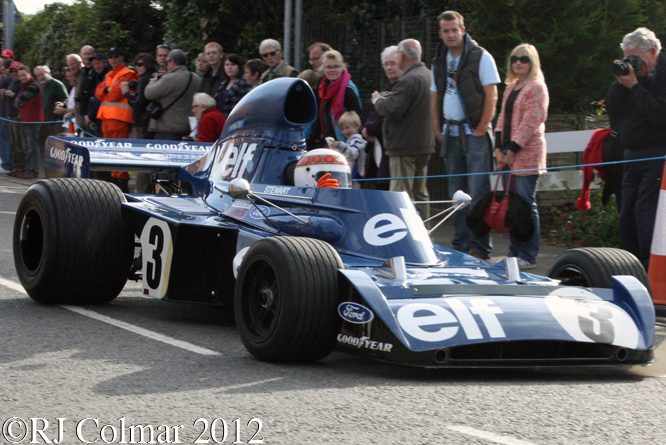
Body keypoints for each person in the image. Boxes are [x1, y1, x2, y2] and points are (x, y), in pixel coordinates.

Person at [430, 10, 501, 259]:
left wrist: (482, 128)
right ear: (441, 34)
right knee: (456, 193)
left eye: (454, 29)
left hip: (474, 133)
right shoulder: (439, 59)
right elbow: (435, 95)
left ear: (463, 30)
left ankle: (479, 247)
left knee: (478, 193)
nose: (450, 34)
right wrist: (437, 128)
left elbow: (491, 94)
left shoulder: (481, 56)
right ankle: (460, 244)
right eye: (446, 30)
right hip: (450, 133)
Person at [606, 27, 666, 270]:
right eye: (627, 58)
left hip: (658, 153)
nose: (632, 64)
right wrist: (622, 82)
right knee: (627, 212)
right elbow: (613, 109)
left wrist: (635, 86)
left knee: (646, 213)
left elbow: (660, 114)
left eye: (636, 58)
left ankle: (650, 269)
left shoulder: (662, 74)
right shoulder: (631, 79)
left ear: (653, 52)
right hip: (630, 153)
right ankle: (630, 266)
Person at [494, 44, 549, 270]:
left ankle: (528, 254)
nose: (518, 62)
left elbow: (531, 122)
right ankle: (514, 253)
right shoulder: (511, 86)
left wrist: (512, 151)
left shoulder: (537, 88)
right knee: (512, 206)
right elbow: (501, 118)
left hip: (526, 154)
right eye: (514, 59)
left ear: (532, 61)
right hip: (507, 154)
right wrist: (498, 149)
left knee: (525, 205)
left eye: (524, 59)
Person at [372, 39, 435, 220]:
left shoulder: (408, 79)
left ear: (401, 55)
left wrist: (378, 100)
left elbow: (392, 109)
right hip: (424, 145)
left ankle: (404, 240)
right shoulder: (428, 75)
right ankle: (426, 233)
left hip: (404, 147)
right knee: (420, 194)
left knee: (401, 196)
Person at [95, 47, 139, 191]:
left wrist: (106, 91)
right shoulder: (109, 75)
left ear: (121, 58)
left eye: (116, 56)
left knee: (119, 154)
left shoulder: (128, 73)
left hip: (119, 120)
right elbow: (98, 93)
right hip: (107, 119)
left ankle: (122, 189)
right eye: (110, 56)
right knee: (110, 155)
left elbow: (115, 94)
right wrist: (105, 91)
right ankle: (115, 188)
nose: (113, 59)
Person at [362, 45, 402, 190]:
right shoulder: (386, 88)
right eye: (386, 64)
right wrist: (367, 128)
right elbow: (374, 115)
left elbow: (389, 118)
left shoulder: (400, 88)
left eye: (393, 63)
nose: (389, 68)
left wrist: (370, 129)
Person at [144, 49, 201, 140]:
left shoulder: (169, 78)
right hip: (188, 128)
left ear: (172, 62)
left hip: (166, 129)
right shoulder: (196, 78)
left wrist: (153, 81)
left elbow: (149, 93)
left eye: (167, 62)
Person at [316, 50, 362, 146]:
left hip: (346, 143)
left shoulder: (348, 90)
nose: (332, 70)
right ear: (323, 69)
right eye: (328, 67)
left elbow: (358, 116)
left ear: (342, 67)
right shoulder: (323, 88)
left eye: (336, 66)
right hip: (329, 140)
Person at [15, 65, 43, 180]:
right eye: (20, 76)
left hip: (33, 120)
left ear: (29, 73)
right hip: (25, 120)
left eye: (24, 75)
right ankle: (28, 169)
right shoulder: (25, 86)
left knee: (32, 147)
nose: (22, 77)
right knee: (27, 147)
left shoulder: (33, 86)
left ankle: (33, 171)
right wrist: (19, 101)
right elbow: (18, 102)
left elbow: (20, 100)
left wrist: (19, 100)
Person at [121, 53, 157, 139]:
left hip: (142, 123)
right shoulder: (152, 77)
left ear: (148, 65)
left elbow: (138, 103)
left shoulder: (144, 79)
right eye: (135, 65)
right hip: (151, 122)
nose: (137, 67)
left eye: (140, 65)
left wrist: (126, 93)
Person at [327, 110, 366, 186]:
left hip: (356, 178)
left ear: (357, 126)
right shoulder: (350, 142)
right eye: (342, 129)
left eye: (347, 127)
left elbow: (353, 154)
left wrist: (340, 145)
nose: (345, 131)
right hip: (352, 177)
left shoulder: (357, 141)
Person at [86, 53, 110, 137]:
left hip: (106, 120)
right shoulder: (97, 78)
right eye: (94, 64)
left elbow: (101, 99)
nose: (96, 66)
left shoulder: (108, 77)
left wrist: (90, 116)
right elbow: (92, 98)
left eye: (98, 63)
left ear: (105, 63)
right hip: (98, 120)